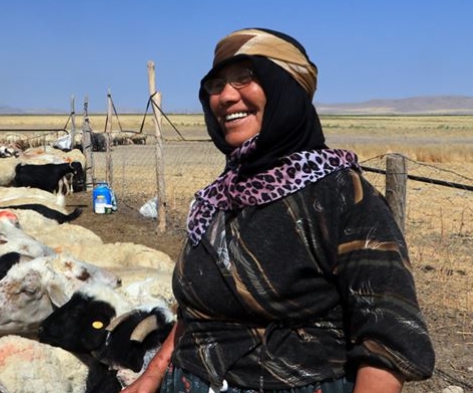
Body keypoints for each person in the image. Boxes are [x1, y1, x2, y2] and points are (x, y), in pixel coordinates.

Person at [123, 28, 434, 393]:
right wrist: (153, 374)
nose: (225, 96)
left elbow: (388, 342)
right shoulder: (220, 197)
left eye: (245, 78)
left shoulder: (342, 198)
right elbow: (199, 308)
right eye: (216, 84)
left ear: (287, 88)